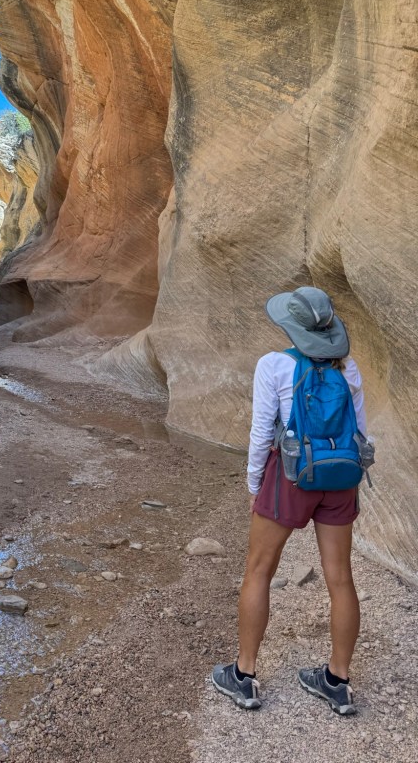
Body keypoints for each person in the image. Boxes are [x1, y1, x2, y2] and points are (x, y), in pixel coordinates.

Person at [212, 286, 368, 715]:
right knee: (341, 578)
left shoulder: (275, 364)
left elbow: (262, 431)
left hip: (291, 477)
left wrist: (253, 484)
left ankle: (244, 675)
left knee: (259, 570)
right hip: (340, 476)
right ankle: (337, 681)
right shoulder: (348, 367)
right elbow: (360, 433)